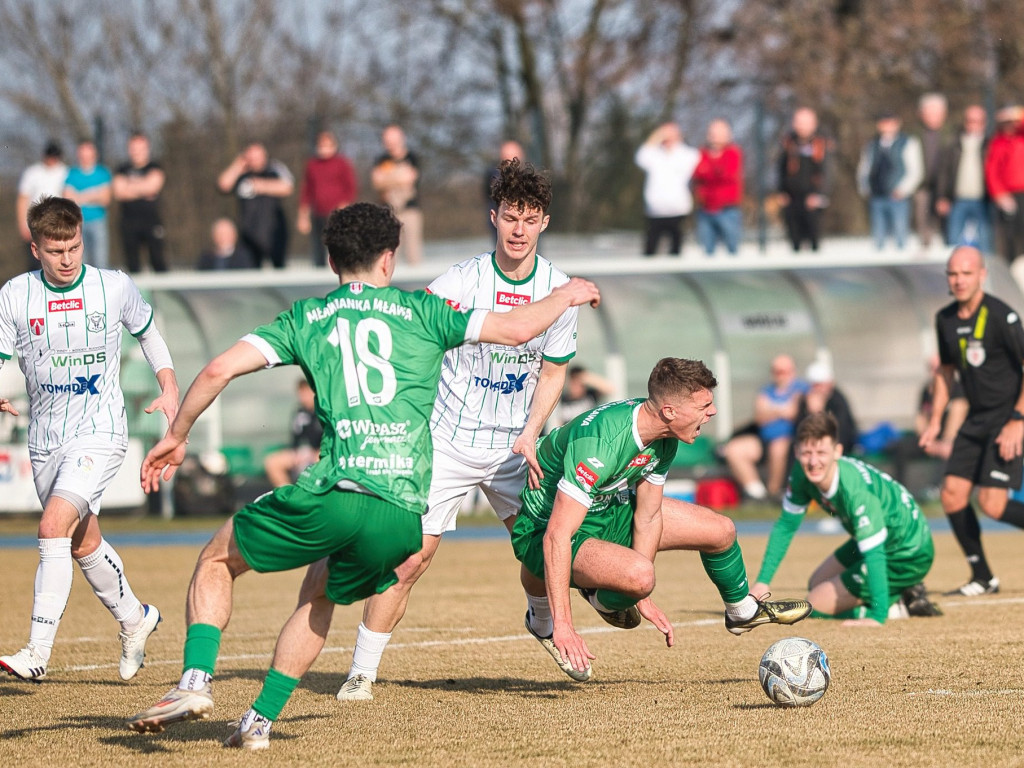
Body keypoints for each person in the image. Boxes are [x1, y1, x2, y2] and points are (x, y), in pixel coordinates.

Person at [125, 202, 600, 749]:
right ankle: (259, 723)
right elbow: (517, 330)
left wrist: (178, 435)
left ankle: (193, 681)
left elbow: (216, 371)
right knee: (320, 593)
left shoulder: (305, 318)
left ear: (330, 261)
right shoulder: (424, 313)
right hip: (400, 513)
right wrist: (566, 294)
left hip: (336, 490)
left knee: (215, 559)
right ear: (389, 259)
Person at [331, 157, 580, 701]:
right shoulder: (462, 280)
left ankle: (541, 618)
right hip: (446, 440)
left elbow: (555, 370)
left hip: (516, 448)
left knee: (540, 552)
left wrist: (533, 430)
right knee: (412, 557)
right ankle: (361, 672)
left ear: (544, 223)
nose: (519, 229)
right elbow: (415, 333)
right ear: (495, 217)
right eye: (510, 216)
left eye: (530, 217)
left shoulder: (559, 291)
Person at [512, 358, 812, 680]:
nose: (712, 413)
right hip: (546, 527)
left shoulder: (666, 435)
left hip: (608, 508)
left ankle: (741, 613)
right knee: (640, 575)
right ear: (669, 411)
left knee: (720, 530)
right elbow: (557, 535)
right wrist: (566, 628)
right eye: (705, 405)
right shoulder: (601, 443)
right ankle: (594, 594)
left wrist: (642, 597)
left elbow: (649, 515)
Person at [0, 196, 178, 681]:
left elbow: (149, 333)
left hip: (100, 431)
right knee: (82, 542)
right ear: (35, 248)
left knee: (52, 526)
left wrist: (168, 384)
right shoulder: (15, 294)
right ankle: (136, 620)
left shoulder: (113, 286)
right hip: (44, 438)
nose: (67, 258)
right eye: (55, 250)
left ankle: (36, 653)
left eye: (74, 246)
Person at [752, 413, 940, 626]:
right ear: (796, 452)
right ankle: (901, 590)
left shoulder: (853, 489)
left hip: (908, 551)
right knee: (816, 583)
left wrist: (876, 617)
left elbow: (874, 552)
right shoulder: (801, 474)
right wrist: (762, 582)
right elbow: (786, 526)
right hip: (886, 539)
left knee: (814, 604)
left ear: (837, 451)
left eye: (821, 452)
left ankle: (896, 605)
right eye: (806, 453)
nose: (813, 462)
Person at [920, 245, 1024, 596]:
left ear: (982, 275)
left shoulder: (1002, 316)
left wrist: (1018, 420)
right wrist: (936, 420)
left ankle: (984, 578)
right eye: (953, 273)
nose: (959, 280)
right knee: (951, 495)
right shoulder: (945, 319)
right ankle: (983, 577)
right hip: (976, 419)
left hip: (1006, 419)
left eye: (966, 273)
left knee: (992, 504)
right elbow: (946, 372)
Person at [721, 354, 807, 501]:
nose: (780, 375)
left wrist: (771, 411)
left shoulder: (802, 389)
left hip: (789, 439)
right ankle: (757, 493)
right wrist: (781, 411)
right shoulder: (766, 390)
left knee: (778, 448)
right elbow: (760, 417)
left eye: (783, 371)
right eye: (776, 371)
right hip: (763, 439)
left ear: (792, 371)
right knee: (734, 449)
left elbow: (793, 413)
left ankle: (774, 491)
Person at [887, 354, 969, 491]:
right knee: (901, 447)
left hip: (951, 440)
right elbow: (921, 417)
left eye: (938, 368)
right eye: (932, 368)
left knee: (951, 452)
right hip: (931, 438)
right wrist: (928, 440)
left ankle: (939, 488)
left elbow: (956, 419)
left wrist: (945, 443)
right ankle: (900, 489)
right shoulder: (926, 390)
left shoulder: (958, 389)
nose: (934, 372)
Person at [218, 142, 294, 270]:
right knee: (250, 271)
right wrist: (238, 165)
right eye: (251, 157)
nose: (254, 161)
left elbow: (288, 187)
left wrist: (261, 186)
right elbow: (223, 185)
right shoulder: (241, 174)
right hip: (249, 234)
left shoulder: (274, 168)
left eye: (257, 157)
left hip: (274, 232)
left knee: (279, 269)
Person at [857, 112, 924, 250]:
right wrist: (865, 188)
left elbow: (915, 170)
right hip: (877, 195)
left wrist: (903, 190)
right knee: (878, 237)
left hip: (897, 197)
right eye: (884, 123)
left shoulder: (908, 142)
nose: (887, 126)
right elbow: (864, 167)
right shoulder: (872, 144)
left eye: (890, 123)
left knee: (900, 235)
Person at [634, 122, 700, 256]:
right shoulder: (653, 154)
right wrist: (657, 136)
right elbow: (640, 156)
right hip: (655, 211)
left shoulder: (688, 154)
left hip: (678, 210)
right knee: (650, 250)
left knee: (676, 251)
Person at [297, 130, 359, 267]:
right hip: (319, 213)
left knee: (339, 245)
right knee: (319, 246)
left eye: (327, 145)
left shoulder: (342, 163)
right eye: (321, 145)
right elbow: (306, 191)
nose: (324, 149)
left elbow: (351, 187)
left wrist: (345, 205)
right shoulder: (312, 165)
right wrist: (303, 215)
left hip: (338, 214)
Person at [936, 105, 991, 255]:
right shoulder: (953, 144)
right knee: (953, 240)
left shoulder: (989, 144)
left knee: (985, 241)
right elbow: (944, 173)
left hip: (983, 199)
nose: (973, 124)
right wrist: (942, 196)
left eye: (978, 121)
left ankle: (984, 273)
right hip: (957, 199)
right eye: (970, 120)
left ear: (984, 123)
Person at [777, 108, 831, 252]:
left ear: (814, 124)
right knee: (794, 240)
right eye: (799, 122)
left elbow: (827, 171)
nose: (802, 126)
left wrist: (819, 194)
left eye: (805, 122)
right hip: (792, 199)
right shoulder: (788, 143)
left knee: (814, 239)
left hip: (813, 199)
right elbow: (781, 169)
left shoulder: (821, 144)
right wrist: (781, 191)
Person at [112, 133, 168, 273]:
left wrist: (129, 186)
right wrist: (143, 187)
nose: (137, 152)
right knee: (132, 264)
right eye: (133, 148)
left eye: (140, 148)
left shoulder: (155, 166)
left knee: (158, 261)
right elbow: (119, 192)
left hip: (151, 221)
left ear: (147, 148)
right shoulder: (122, 169)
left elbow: (153, 186)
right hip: (129, 222)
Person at [692, 119, 744, 256]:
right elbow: (697, 173)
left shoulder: (733, 152)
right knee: (707, 252)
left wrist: (708, 172)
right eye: (712, 133)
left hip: (728, 209)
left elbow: (727, 175)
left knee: (733, 250)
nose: (714, 137)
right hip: (706, 209)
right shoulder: (701, 153)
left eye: (719, 133)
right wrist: (714, 172)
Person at [372, 124, 422, 265]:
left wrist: (387, 179)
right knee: (390, 252)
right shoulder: (381, 160)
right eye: (387, 141)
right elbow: (377, 182)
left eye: (393, 141)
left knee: (413, 253)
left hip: (410, 209)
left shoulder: (412, 158)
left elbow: (410, 179)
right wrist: (398, 178)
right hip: (389, 211)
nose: (390, 145)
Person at [17, 141, 68, 269]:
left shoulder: (65, 172)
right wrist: (23, 224)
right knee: (35, 260)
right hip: (36, 221)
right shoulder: (32, 173)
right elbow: (23, 199)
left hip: (57, 223)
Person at [263, 379, 322, 488]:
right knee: (272, 461)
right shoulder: (299, 412)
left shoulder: (323, 412)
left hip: (319, 453)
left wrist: (312, 452)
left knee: (320, 459)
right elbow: (295, 437)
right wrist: (297, 452)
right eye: (301, 394)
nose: (303, 397)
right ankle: (287, 494)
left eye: (306, 393)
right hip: (300, 453)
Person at [63, 140, 112, 269]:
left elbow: (105, 198)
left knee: (101, 261)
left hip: (98, 221)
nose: (85, 157)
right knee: (80, 261)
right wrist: (95, 193)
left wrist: (80, 196)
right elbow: (68, 199)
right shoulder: (72, 174)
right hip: (77, 223)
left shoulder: (102, 173)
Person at [984, 105, 1024, 263]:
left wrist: (1018, 113)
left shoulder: (1020, 138)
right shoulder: (999, 142)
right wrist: (999, 194)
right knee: (1010, 236)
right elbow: (992, 171)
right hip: (1009, 195)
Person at [794, 361, 858, 455]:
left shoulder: (837, 400)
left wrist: (817, 413)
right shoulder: (806, 400)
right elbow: (799, 430)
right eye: (815, 385)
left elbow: (841, 432)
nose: (818, 389)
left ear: (830, 384)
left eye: (820, 385)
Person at [914, 93, 950, 249]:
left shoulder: (951, 135)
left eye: (937, 113)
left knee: (945, 225)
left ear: (944, 114)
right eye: (929, 113)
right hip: (922, 186)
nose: (933, 117)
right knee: (922, 222)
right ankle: (925, 249)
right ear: (921, 114)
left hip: (946, 188)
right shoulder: (913, 134)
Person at [483, 139, 525, 230]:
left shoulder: (529, 177)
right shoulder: (493, 175)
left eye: (514, 157)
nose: (511, 161)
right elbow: (487, 194)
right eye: (507, 157)